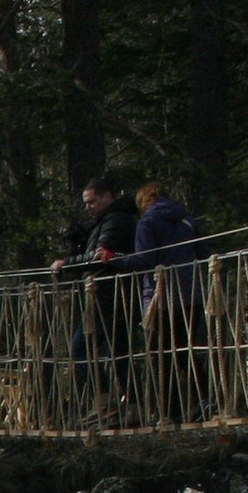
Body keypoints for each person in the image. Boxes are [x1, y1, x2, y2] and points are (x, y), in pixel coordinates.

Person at [51, 177, 140, 417]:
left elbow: (100, 256)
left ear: (108, 196)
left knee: (83, 347)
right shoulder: (109, 220)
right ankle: (131, 404)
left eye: (93, 201)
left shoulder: (115, 220)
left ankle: (106, 402)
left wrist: (67, 264)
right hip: (111, 293)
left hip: (108, 293)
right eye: (86, 203)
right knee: (119, 350)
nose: (88, 207)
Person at [131, 183, 208, 421]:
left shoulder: (147, 223)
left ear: (143, 202)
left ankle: (169, 413)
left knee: (160, 355)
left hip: (160, 297)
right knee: (186, 350)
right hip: (192, 294)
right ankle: (205, 401)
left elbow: (145, 259)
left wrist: (115, 261)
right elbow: (203, 252)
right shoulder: (187, 220)